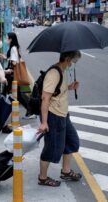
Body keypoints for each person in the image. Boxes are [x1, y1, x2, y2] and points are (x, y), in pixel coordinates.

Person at [37, 51, 82, 187]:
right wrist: (44, 123)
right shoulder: (54, 73)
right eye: (74, 62)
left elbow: (57, 92)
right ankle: (43, 178)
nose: (73, 65)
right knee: (51, 148)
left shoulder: (61, 71)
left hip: (63, 114)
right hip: (53, 116)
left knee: (71, 142)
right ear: (67, 59)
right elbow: (45, 98)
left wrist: (69, 87)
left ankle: (66, 171)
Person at [0, 32, 36, 120]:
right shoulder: (13, 48)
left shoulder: (13, 48)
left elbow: (14, 62)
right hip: (11, 74)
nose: (6, 40)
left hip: (12, 74)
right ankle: (31, 110)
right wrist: (6, 57)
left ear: (11, 39)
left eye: (7, 38)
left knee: (7, 93)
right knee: (16, 94)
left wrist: (9, 60)